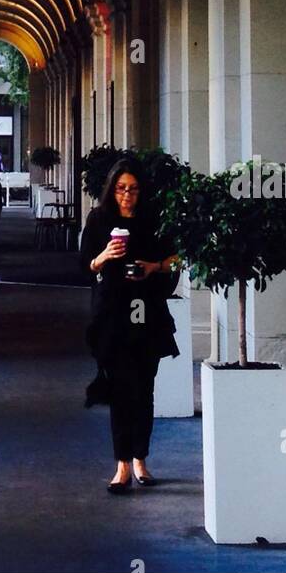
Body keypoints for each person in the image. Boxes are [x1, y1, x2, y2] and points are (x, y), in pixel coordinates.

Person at [80, 156, 180, 493]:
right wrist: (104, 257)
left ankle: (141, 458)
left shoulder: (154, 220)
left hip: (147, 312)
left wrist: (155, 267)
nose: (127, 195)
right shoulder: (99, 219)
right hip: (113, 314)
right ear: (112, 189)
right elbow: (85, 266)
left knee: (145, 389)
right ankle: (122, 464)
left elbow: (177, 257)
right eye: (121, 188)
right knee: (121, 390)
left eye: (133, 189)